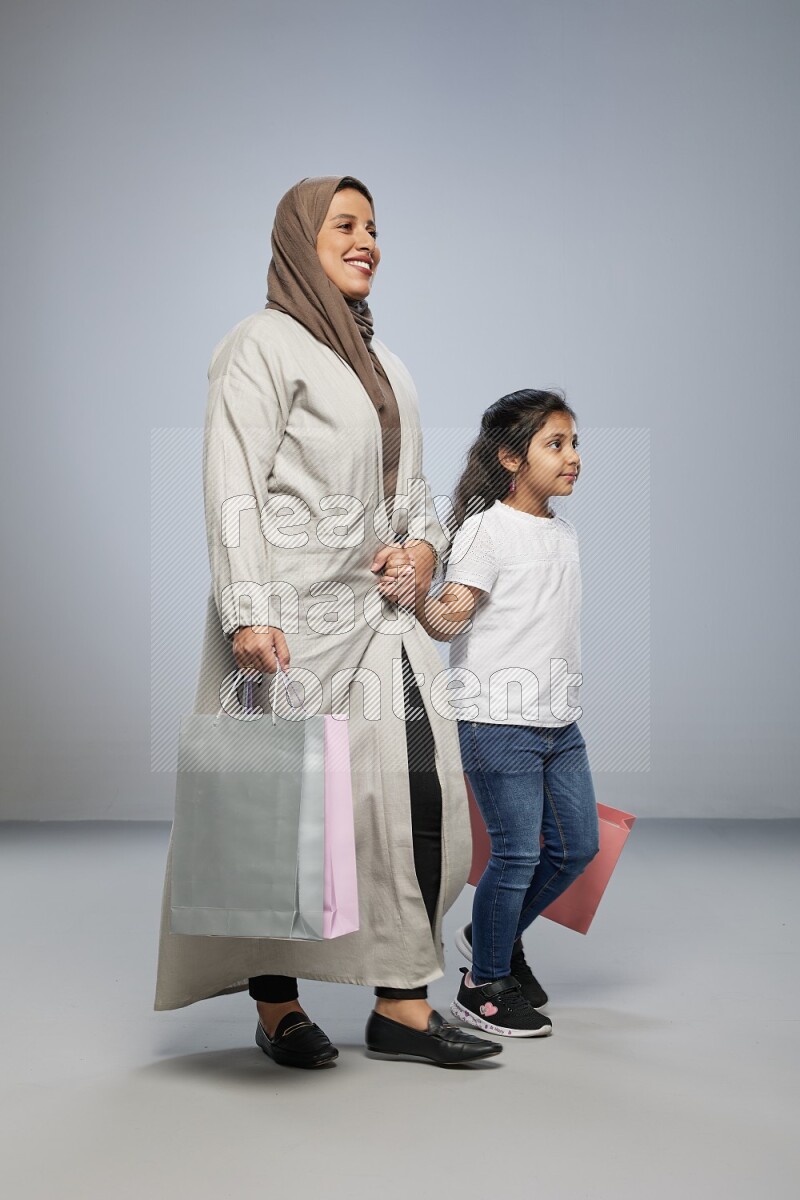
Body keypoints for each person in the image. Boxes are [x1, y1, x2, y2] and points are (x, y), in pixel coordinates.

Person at [154, 175, 501, 1068]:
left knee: (417, 803)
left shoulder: (387, 366)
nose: (367, 240)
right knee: (282, 814)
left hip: (386, 620)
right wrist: (249, 612)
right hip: (291, 622)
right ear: (300, 240)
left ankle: (400, 1006)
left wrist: (424, 555)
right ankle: (278, 1008)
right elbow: (232, 483)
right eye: (345, 225)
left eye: (375, 227)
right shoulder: (259, 347)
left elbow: (415, 495)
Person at [411, 390, 600, 1038]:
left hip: (558, 722)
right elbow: (448, 618)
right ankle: (482, 985)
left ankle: (489, 934)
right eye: (556, 444)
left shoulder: (563, 532)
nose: (572, 456)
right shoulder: (487, 530)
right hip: (497, 721)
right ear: (510, 458)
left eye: (574, 442)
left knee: (578, 848)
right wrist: (416, 597)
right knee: (517, 855)